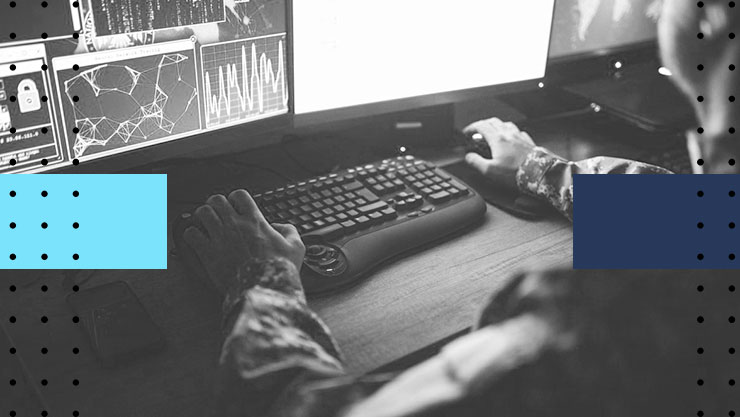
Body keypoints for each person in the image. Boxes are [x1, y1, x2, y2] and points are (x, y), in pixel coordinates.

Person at [183, 1, 738, 415]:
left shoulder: (612, 330)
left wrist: (261, 277)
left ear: (707, 26)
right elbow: (698, 220)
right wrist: (538, 167)